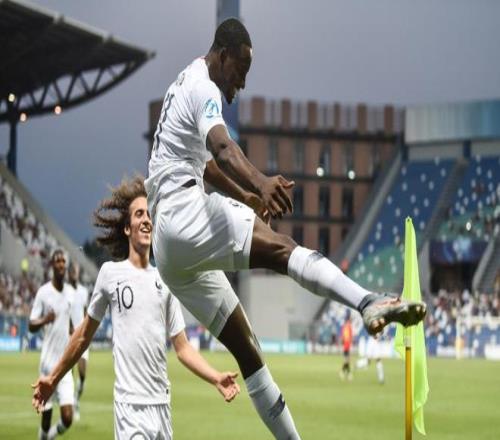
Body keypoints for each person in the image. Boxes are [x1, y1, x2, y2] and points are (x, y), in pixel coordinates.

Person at [145, 17, 427, 439]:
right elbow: (222, 148)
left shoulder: (182, 83)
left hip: (169, 250)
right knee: (283, 249)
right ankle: (367, 301)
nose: (241, 84)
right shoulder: (204, 87)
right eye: (240, 71)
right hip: (184, 214)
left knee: (249, 352)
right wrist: (261, 182)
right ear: (222, 55)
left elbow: (204, 165)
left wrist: (247, 196)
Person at [32, 177, 240, 439]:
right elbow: (84, 335)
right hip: (130, 408)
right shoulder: (110, 274)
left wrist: (215, 377)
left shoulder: (166, 279)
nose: (146, 220)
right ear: (127, 229)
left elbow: (183, 348)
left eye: (149, 214)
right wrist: (53, 378)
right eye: (139, 214)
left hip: (162, 406)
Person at [29, 250, 76, 440]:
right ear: (52, 265)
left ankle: (50, 437)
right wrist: (45, 320)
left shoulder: (71, 293)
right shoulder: (43, 292)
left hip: (64, 366)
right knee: (46, 419)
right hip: (47, 365)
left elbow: (69, 319)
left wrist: (72, 329)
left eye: (63, 261)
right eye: (58, 261)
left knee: (68, 418)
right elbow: (31, 324)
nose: (61, 264)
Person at [67, 262, 90, 421]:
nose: (74, 273)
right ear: (69, 274)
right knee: (69, 374)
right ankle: (70, 403)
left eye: (76, 271)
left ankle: (76, 400)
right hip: (69, 337)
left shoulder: (83, 291)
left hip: (82, 337)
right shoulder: (65, 291)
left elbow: (86, 312)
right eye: (72, 271)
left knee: (82, 375)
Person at [339, 311, 353, 381]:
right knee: (347, 360)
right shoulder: (348, 326)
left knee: (347, 360)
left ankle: (347, 373)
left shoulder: (346, 326)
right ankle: (343, 372)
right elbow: (346, 337)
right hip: (346, 346)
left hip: (347, 345)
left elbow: (344, 337)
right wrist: (347, 343)